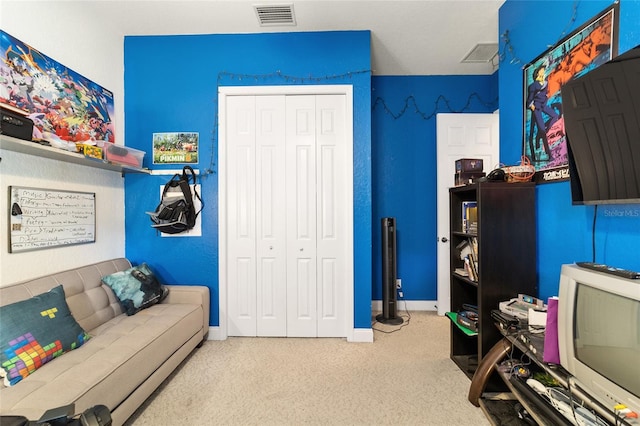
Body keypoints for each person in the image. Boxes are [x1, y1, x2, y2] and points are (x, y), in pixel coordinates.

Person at [526, 65, 559, 157]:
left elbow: (546, 93)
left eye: (544, 71)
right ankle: (549, 154)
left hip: (543, 105)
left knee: (555, 116)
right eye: (542, 71)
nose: (543, 72)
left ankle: (543, 131)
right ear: (537, 74)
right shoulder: (533, 86)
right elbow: (530, 98)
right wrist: (531, 105)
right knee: (543, 132)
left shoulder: (545, 83)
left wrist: (547, 97)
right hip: (537, 107)